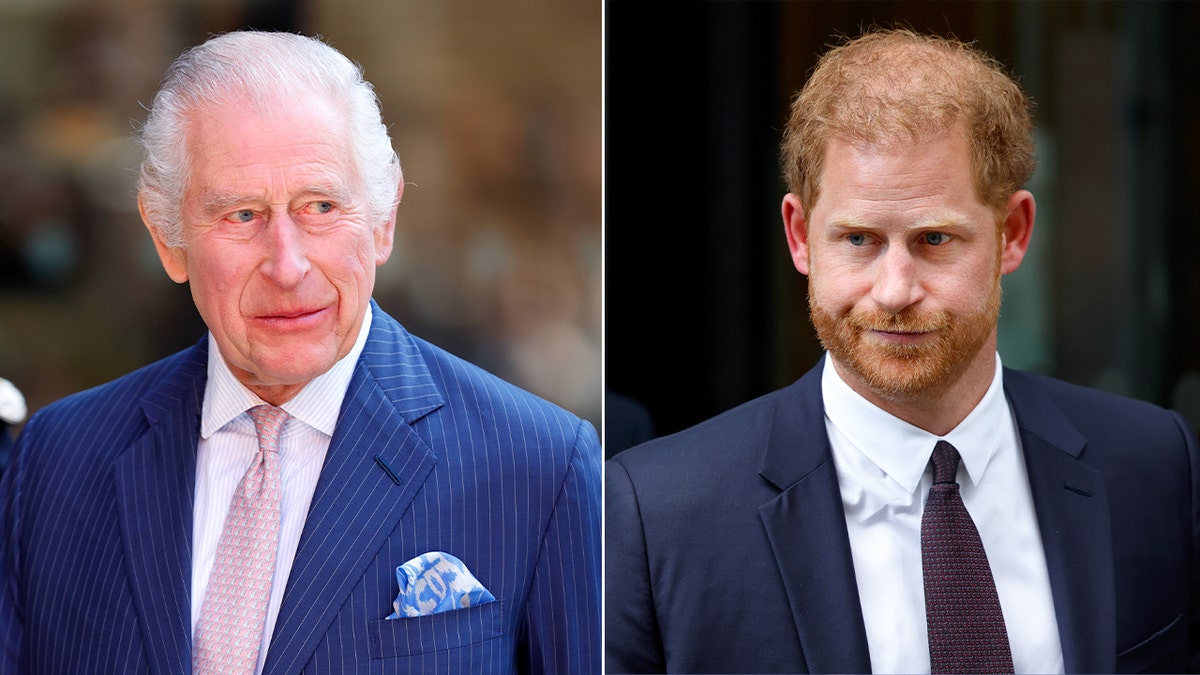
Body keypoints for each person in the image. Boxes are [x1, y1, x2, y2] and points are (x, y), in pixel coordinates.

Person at [0, 31, 600, 674]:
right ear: (166, 238)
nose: (287, 266)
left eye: (320, 206)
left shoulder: (540, 466)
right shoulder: (57, 458)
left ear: (383, 217)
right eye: (240, 215)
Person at [605, 28, 1199, 674]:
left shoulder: (1153, 468)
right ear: (801, 237)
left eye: (935, 239)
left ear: (1013, 233)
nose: (894, 291)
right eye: (858, 239)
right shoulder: (656, 517)